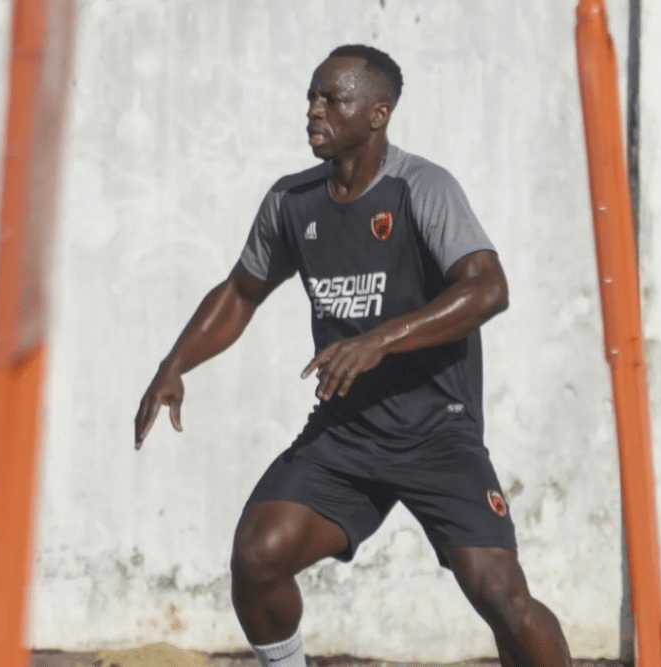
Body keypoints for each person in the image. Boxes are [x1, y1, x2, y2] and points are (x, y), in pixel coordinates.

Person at [134, 44, 573, 667]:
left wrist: (378, 340)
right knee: (257, 557)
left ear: (377, 114)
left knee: (501, 596)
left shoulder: (422, 188)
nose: (313, 111)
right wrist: (173, 366)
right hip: (345, 433)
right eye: (311, 96)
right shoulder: (293, 202)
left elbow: (488, 288)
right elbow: (240, 291)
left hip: (436, 434)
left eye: (331, 99)